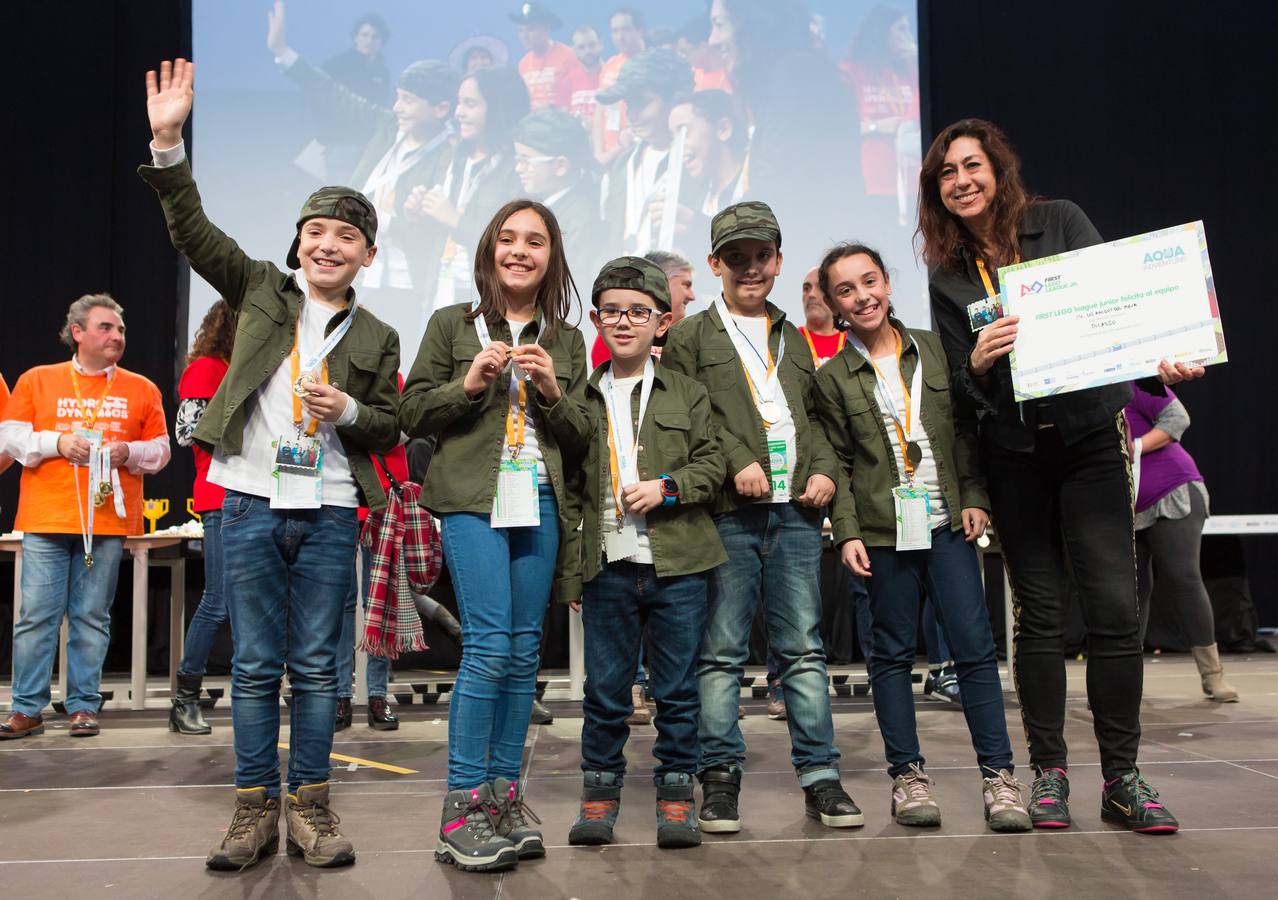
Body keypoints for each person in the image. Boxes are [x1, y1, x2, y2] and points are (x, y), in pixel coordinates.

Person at [141, 59, 403, 869]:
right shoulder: (259, 287)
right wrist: (169, 140)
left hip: (329, 507)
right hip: (249, 500)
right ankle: (253, 809)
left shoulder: (377, 336)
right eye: (316, 233)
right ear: (299, 242)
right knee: (254, 666)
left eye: (346, 237)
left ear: (366, 255)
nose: (327, 245)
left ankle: (313, 809)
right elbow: (191, 230)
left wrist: (350, 412)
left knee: (319, 670)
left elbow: (393, 421)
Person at [919, 117, 1204, 834]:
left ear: (998, 168)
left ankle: (1123, 777)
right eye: (947, 173)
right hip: (1014, 456)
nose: (962, 181)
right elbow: (960, 388)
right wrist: (979, 362)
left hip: (1089, 446)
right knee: (1039, 618)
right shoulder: (949, 274)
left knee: (1112, 610)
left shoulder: (1059, 222)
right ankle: (1049, 775)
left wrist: (1160, 360)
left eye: (971, 165)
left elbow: (1119, 318)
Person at [813, 242, 1030, 832]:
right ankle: (907, 777)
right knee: (889, 656)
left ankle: (1000, 778)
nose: (863, 297)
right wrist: (847, 532)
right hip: (882, 534)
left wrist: (977, 496)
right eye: (846, 290)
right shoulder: (831, 377)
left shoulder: (934, 350)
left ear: (888, 283)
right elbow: (839, 461)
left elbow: (965, 430)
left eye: (870, 281)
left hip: (947, 526)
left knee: (975, 651)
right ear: (833, 303)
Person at [400, 199, 590, 872]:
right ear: (488, 251)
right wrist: (469, 383)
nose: (519, 250)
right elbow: (412, 412)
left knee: (522, 649)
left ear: (550, 256)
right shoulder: (453, 324)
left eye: (534, 241)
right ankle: (461, 808)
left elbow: (583, 436)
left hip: (539, 500)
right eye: (508, 239)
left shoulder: (565, 339)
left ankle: (505, 798)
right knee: (485, 646)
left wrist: (551, 392)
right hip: (473, 504)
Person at [662, 201, 862, 834]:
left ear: (778, 260)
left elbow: (817, 417)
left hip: (797, 515)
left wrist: (826, 469)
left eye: (763, 256)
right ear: (716, 262)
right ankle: (719, 779)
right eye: (737, 257)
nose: (751, 268)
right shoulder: (690, 338)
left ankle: (821, 777)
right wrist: (736, 461)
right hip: (728, 514)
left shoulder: (794, 334)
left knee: (802, 648)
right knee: (720, 653)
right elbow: (686, 422)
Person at [565, 256, 727, 850]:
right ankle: (600, 795)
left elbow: (713, 464)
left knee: (678, 690)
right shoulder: (581, 397)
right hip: (605, 565)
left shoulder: (687, 391)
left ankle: (677, 796)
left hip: (678, 563)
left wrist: (669, 488)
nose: (625, 321)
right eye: (613, 312)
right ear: (596, 320)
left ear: (662, 323)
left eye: (639, 312)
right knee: (605, 691)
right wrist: (571, 577)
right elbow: (569, 490)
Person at [0, 295, 170, 741]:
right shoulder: (38, 379)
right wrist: (58, 443)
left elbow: (161, 450)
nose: (116, 337)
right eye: (106, 328)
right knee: (37, 615)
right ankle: (26, 708)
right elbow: (11, 436)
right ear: (78, 332)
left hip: (106, 523)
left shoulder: (141, 387)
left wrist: (126, 451)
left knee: (92, 616)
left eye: (121, 331)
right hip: (47, 517)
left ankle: (82, 706)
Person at [269, 4, 459, 348]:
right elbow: (336, 95)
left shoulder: (449, 157)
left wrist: (400, 216)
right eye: (398, 98)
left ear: (440, 109)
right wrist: (284, 54)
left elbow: (432, 232)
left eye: (409, 101)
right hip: (360, 272)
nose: (398, 107)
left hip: (404, 282)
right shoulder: (390, 128)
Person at [707, 0, 862, 278]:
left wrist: (705, 229)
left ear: (753, 26)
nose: (712, 39)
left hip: (808, 258)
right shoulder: (790, 75)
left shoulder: (795, 76)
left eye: (720, 25)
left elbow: (783, 182)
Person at [1127, 383, 1238, 701]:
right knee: (1132, 589)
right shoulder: (1084, 397)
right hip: (1127, 506)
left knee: (1181, 576)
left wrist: (1134, 447)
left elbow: (1177, 418)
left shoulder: (1135, 384)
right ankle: (1124, 681)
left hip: (1173, 491)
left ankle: (1212, 674)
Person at [404, 66, 530, 322]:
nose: (459, 112)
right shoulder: (451, 159)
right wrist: (416, 215)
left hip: (490, 301)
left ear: (497, 108)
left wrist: (455, 220)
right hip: (438, 288)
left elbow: (516, 246)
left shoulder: (516, 169)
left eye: (470, 104)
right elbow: (427, 238)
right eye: (459, 103)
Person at [170, 299, 238, 735]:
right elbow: (185, 432)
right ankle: (185, 698)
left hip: (262, 493)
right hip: (220, 494)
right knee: (218, 600)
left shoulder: (247, 366)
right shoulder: (207, 368)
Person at [335, 444, 412, 732]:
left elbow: (403, 422)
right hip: (339, 484)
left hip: (384, 485)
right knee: (340, 601)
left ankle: (377, 695)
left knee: (379, 600)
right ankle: (340, 695)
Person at [596, 48, 694, 256]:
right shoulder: (623, 164)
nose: (632, 115)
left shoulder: (696, 163)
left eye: (643, 102)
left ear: (676, 100)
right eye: (629, 104)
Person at [512, 108, 603, 289]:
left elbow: (571, 283)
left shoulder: (581, 218)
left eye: (527, 161)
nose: (519, 168)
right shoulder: (541, 207)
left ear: (560, 165)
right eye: (518, 159)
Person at [657, 89, 749, 247]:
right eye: (674, 138)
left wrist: (698, 227)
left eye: (684, 132)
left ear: (723, 129)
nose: (677, 148)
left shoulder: (761, 188)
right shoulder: (688, 197)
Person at [592, 249, 696, 368]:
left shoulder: (690, 338)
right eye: (686, 285)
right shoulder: (616, 334)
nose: (692, 296)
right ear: (662, 281)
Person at [592, 8, 647, 165]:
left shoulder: (650, 64)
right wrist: (599, 152)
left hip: (634, 151)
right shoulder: (610, 64)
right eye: (615, 31)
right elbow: (599, 111)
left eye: (625, 29)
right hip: (608, 155)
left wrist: (618, 149)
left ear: (640, 31)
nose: (619, 37)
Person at [511, 2, 583, 111]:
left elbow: (581, 95)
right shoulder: (523, 64)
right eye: (520, 31)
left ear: (546, 29)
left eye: (530, 29)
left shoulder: (569, 56)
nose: (524, 36)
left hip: (563, 124)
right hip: (533, 125)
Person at [797, 266, 843, 368]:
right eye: (806, 288)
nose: (811, 294)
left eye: (820, 288)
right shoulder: (789, 340)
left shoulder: (854, 343)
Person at [567, 25, 603, 124]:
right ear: (574, 51)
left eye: (591, 45)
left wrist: (594, 124)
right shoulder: (568, 80)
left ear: (601, 45)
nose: (587, 51)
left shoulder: (613, 76)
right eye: (581, 47)